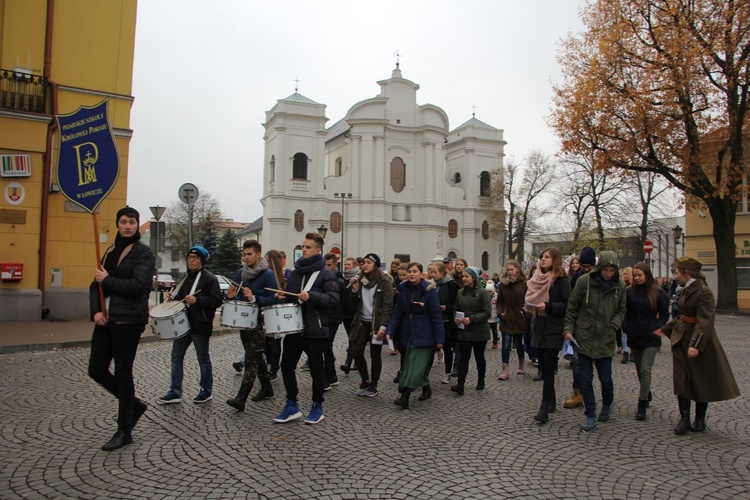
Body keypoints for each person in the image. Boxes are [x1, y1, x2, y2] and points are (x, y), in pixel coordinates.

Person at [87, 206, 154, 451]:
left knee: (123, 373)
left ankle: (124, 430)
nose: (128, 226)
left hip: (128, 321)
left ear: (137, 225)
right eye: (124, 222)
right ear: (118, 224)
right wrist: (95, 311)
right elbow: (95, 285)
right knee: (96, 369)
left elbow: (138, 285)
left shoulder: (143, 253)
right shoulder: (109, 252)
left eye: (132, 222)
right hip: (105, 320)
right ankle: (134, 405)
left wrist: (108, 281)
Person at [656, 257, 740, 435]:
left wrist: (696, 345)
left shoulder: (704, 292)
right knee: (681, 379)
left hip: (700, 342)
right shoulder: (686, 289)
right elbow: (682, 316)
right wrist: (666, 329)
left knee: (701, 380)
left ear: (687, 273)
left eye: (678, 272)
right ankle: (684, 418)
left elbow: (705, 321)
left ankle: (699, 419)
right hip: (681, 338)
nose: (676, 276)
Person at [273, 232, 339, 425]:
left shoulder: (326, 274)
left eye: (308, 247)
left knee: (317, 371)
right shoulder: (296, 272)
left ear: (318, 251)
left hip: (315, 329)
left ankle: (317, 407)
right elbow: (292, 297)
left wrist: (313, 296)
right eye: (303, 247)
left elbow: (333, 301)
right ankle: (292, 404)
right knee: (286, 366)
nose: (304, 250)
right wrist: (282, 297)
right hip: (295, 328)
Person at [563, 250, 626, 431]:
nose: (609, 274)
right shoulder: (584, 282)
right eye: (606, 270)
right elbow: (572, 307)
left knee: (606, 379)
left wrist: (614, 325)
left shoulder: (619, 285)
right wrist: (568, 328)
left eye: (612, 270)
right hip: (584, 336)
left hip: (606, 337)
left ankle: (607, 404)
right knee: (585, 379)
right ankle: (590, 414)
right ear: (600, 268)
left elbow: (622, 309)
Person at [158, 246, 223, 405]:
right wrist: (171, 298)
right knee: (176, 357)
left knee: (203, 359)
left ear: (201, 260)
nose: (191, 260)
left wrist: (198, 300)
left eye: (195, 257)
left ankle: (206, 390)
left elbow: (216, 301)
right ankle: (175, 391)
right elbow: (180, 298)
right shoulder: (186, 278)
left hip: (200, 325)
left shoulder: (209, 278)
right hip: (183, 325)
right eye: (189, 257)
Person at [225, 240, 279, 412]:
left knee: (251, 360)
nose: (246, 257)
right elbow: (238, 299)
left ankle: (241, 398)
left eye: (249, 254)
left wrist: (254, 299)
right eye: (244, 254)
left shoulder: (267, 274)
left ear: (258, 254)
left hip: (259, 323)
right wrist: (233, 297)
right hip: (244, 322)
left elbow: (274, 299)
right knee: (256, 357)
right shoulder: (240, 274)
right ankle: (267, 389)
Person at [388, 262, 445, 409]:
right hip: (407, 333)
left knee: (414, 365)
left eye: (415, 271)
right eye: (410, 272)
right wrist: (390, 330)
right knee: (412, 364)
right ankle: (426, 388)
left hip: (424, 333)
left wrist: (440, 339)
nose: (412, 274)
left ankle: (405, 396)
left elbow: (436, 316)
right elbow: (397, 313)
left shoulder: (429, 291)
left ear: (420, 273)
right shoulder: (403, 290)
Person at [526, 248, 571, 424]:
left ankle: (544, 407)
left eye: (547, 257)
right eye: (541, 257)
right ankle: (551, 400)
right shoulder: (536, 278)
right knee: (544, 366)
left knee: (549, 367)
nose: (542, 260)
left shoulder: (561, 280)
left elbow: (567, 305)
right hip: (538, 327)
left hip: (553, 328)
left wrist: (549, 306)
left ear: (555, 260)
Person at [623, 262, 669, 420]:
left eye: (639, 275)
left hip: (651, 336)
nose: (636, 278)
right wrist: (626, 326)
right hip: (634, 335)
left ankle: (641, 403)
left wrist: (658, 327)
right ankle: (646, 391)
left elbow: (664, 314)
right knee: (639, 369)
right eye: (634, 275)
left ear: (647, 275)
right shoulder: (629, 292)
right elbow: (624, 311)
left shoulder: (658, 292)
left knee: (645, 368)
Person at [348, 253, 393, 397]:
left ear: (375, 265)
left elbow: (387, 306)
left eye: (368, 262)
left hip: (376, 323)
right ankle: (365, 379)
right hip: (362, 322)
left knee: (375, 354)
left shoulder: (384, 282)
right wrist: (354, 289)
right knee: (356, 350)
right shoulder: (361, 280)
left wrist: (383, 326)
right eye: (364, 262)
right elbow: (352, 304)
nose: (365, 265)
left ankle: (373, 385)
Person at [563, 246, 596, 409]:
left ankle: (598, 392)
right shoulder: (576, 278)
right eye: (584, 266)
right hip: (579, 325)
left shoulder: (600, 279)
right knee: (576, 362)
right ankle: (578, 392)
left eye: (589, 266)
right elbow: (572, 304)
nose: (586, 269)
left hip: (597, 328)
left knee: (598, 364)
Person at [452, 266, 492, 395]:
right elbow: (455, 309)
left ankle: (481, 380)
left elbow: (487, 313)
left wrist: (472, 319)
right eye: (463, 276)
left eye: (466, 276)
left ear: (473, 278)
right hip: (464, 331)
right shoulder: (460, 293)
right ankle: (460, 384)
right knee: (464, 358)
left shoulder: (483, 293)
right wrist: (456, 318)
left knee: (479, 357)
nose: (464, 279)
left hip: (479, 331)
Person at [496, 260, 529, 380]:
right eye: (508, 270)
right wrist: (500, 313)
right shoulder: (503, 284)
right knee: (505, 343)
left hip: (519, 318)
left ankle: (521, 363)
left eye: (512, 270)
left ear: (517, 269)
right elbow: (499, 301)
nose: (509, 272)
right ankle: (505, 369)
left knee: (518, 343)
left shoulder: (524, 283)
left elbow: (528, 299)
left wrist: (525, 313)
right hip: (507, 317)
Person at [428, 262, 459, 384]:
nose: (433, 274)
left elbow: (456, 304)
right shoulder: (431, 285)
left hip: (446, 320)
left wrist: (446, 307)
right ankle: (425, 373)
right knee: (431, 347)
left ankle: (447, 372)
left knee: (446, 347)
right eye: (431, 272)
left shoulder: (451, 285)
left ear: (442, 272)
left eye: (435, 272)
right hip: (432, 319)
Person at [322, 253, 346, 390]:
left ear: (335, 265)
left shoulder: (338, 281)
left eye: (329, 265)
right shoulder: (325, 277)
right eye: (325, 265)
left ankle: (328, 377)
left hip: (333, 316)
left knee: (326, 345)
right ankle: (332, 376)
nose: (326, 267)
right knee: (326, 346)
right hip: (326, 316)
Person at [264, 249, 287, 381]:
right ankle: (271, 364)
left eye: (268, 260)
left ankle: (274, 368)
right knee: (267, 341)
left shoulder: (280, 276)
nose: (267, 263)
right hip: (267, 309)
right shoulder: (267, 274)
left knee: (275, 341)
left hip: (277, 310)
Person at [339, 257, 360, 375]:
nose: (346, 266)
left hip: (355, 313)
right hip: (345, 313)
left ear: (354, 266)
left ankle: (348, 362)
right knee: (351, 338)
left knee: (352, 339)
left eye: (348, 265)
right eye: (345, 264)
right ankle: (357, 360)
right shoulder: (342, 279)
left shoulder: (358, 278)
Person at [618, 267, 634, 363]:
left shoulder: (634, 286)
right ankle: (625, 352)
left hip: (632, 312)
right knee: (624, 333)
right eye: (623, 274)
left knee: (632, 333)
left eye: (626, 274)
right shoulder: (621, 285)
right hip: (624, 312)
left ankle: (632, 352)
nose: (625, 276)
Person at [486, 279, 500, 349]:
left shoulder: (496, 297)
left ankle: (495, 341)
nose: (489, 293)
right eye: (487, 292)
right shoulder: (485, 297)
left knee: (494, 331)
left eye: (490, 291)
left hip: (494, 316)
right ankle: (484, 341)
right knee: (486, 330)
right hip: (487, 317)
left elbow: (498, 306)